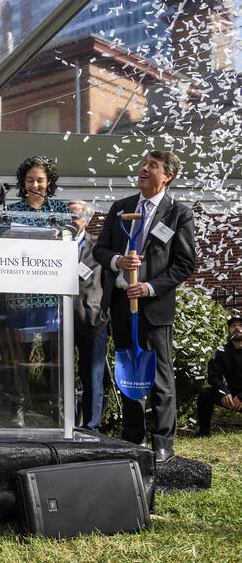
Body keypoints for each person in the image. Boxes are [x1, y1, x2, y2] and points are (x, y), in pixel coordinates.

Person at [92, 150, 196, 463]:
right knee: (129, 372)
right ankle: (133, 437)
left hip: (153, 307)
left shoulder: (178, 213)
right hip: (122, 303)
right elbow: (100, 249)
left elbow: (184, 263)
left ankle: (163, 443)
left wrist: (149, 287)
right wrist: (116, 260)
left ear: (167, 176)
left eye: (153, 166)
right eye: (143, 164)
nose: (144, 169)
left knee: (160, 376)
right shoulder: (121, 207)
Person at [2, 156, 69, 427]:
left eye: (40, 179)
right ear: (22, 182)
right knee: (19, 351)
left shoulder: (60, 209)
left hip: (51, 294)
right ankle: (17, 404)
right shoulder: (11, 210)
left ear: (49, 182)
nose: (35, 184)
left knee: (51, 350)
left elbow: (70, 240)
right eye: (30, 180)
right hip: (20, 293)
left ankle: (54, 405)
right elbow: (2, 242)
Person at [68, 199, 109, 431]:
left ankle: (92, 425)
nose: (72, 220)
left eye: (77, 216)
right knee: (64, 377)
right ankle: (69, 423)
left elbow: (109, 281)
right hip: (62, 319)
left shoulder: (99, 246)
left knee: (92, 375)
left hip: (92, 319)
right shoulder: (56, 244)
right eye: (69, 216)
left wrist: (104, 314)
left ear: (87, 218)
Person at [195, 316, 242, 437]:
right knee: (206, 394)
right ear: (229, 330)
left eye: (240, 325)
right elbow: (213, 376)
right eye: (233, 326)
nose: (237, 328)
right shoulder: (222, 351)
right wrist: (223, 392)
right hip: (231, 395)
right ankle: (203, 432)